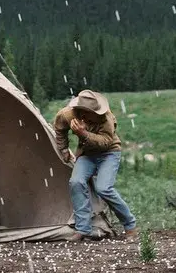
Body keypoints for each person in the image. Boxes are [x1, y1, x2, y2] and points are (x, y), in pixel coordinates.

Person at [53, 89, 138, 242]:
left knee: (104, 188)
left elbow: (105, 142)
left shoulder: (106, 119)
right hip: (87, 154)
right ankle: (82, 229)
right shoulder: (68, 114)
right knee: (76, 182)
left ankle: (130, 225)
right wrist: (64, 148)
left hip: (109, 153)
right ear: (84, 112)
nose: (98, 114)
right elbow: (59, 127)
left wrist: (83, 134)